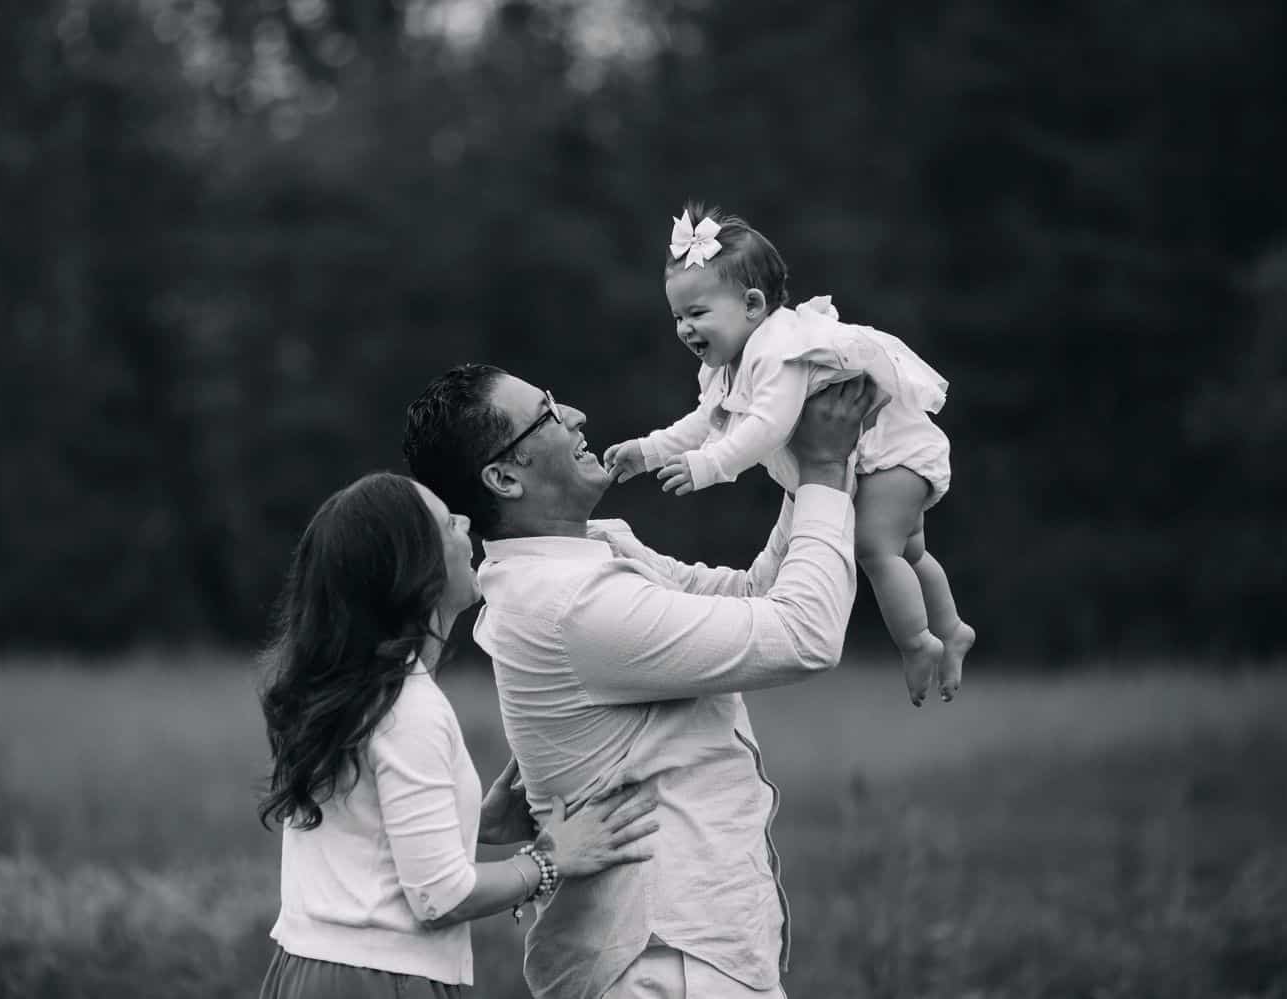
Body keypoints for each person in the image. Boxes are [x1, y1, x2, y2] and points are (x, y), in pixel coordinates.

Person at [404, 366, 880, 999]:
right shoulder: (570, 603)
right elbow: (803, 635)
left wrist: (802, 473)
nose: (572, 414)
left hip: (680, 952)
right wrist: (822, 471)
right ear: (504, 477)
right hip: (662, 964)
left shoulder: (591, 552)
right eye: (545, 414)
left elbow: (752, 595)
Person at [255, 471, 661, 999]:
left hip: (310, 971)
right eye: (448, 522)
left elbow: (366, 839)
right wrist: (548, 859)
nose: (466, 521)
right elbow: (439, 897)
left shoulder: (354, 691)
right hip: (378, 983)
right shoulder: (408, 707)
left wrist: (477, 825)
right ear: (411, 569)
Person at [603, 203, 975, 705]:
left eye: (697, 314)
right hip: (871, 455)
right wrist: (647, 451)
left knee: (874, 548)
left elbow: (765, 427)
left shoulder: (779, 353)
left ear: (753, 304)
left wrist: (709, 466)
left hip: (893, 452)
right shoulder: (729, 364)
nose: (684, 329)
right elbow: (706, 420)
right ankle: (952, 630)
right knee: (909, 552)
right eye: (677, 317)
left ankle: (917, 644)